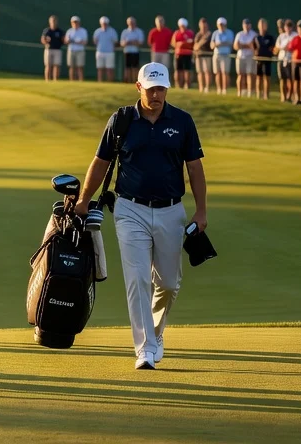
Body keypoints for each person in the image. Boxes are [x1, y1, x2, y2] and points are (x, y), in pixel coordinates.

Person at [73, 62, 207, 370]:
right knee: (137, 280)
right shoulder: (121, 120)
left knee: (169, 283)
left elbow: (195, 168)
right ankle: (144, 349)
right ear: (139, 88)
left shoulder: (182, 122)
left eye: (162, 89)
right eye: (152, 89)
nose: (157, 95)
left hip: (172, 211)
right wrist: (84, 200)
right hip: (129, 209)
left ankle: (156, 333)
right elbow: (101, 162)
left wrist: (201, 211)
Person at [234, 19, 258, 98]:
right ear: (243, 25)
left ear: (250, 25)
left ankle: (249, 92)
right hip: (240, 57)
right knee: (240, 75)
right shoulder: (239, 34)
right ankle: (239, 92)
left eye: (248, 24)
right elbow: (236, 46)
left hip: (250, 57)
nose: (246, 26)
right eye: (245, 24)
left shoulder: (254, 34)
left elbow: (254, 47)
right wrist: (247, 45)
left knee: (249, 75)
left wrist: (242, 45)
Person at [253, 19, 276, 100]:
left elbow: (272, 48)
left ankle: (266, 95)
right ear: (258, 26)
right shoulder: (256, 37)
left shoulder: (270, 37)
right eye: (260, 25)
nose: (262, 26)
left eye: (264, 24)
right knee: (259, 77)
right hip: (259, 60)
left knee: (267, 77)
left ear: (266, 26)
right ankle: (258, 94)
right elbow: (254, 48)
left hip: (267, 60)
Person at [210, 17, 234, 95]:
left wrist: (219, 44)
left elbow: (230, 43)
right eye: (219, 25)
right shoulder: (215, 33)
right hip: (216, 55)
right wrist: (217, 44)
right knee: (217, 73)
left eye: (222, 24)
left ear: (225, 25)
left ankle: (224, 89)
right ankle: (219, 89)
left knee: (225, 73)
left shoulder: (229, 32)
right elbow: (212, 45)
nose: (221, 26)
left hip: (225, 55)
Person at [93, 16, 119, 84]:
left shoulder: (112, 31)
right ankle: (100, 82)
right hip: (99, 52)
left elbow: (115, 42)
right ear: (101, 23)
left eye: (105, 23)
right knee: (100, 69)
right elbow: (95, 41)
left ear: (107, 23)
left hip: (110, 52)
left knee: (109, 69)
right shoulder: (97, 31)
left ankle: (110, 83)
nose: (104, 25)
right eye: (103, 23)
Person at [170, 19, 194, 90]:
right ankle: (178, 85)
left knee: (187, 70)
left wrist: (184, 44)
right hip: (178, 54)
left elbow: (192, 43)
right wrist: (180, 44)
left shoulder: (190, 33)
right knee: (178, 70)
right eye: (181, 25)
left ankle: (187, 84)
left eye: (184, 25)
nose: (183, 27)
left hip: (187, 54)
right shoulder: (176, 33)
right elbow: (173, 43)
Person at [120, 17, 145, 83]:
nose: (131, 24)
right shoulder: (125, 32)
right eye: (130, 23)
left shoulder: (139, 31)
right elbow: (122, 43)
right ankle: (127, 81)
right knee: (127, 67)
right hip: (127, 52)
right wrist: (128, 43)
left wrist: (132, 42)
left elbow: (140, 42)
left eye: (132, 22)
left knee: (135, 67)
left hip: (135, 52)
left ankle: (135, 81)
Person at [192, 18, 213, 93]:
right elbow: (195, 46)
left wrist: (198, 45)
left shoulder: (209, 34)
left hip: (207, 55)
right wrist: (197, 46)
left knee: (207, 72)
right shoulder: (198, 34)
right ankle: (201, 87)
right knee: (200, 72)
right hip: (198, 56)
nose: (203, 27)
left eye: (204, 25)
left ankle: (207, 88)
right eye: (201, 25)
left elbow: (200, 44)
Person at [65, 16, 88, 82]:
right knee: (71, 67)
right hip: (71, 50)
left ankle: (81, 81)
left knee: (80, 67)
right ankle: (71, 81)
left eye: (76, 22)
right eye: (73, 22)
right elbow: (66, 41)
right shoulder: (69, 31)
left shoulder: (83, 31)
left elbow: (85, 42)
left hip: (80, 51)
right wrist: (68, 41)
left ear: (79, 23)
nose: (75, 24)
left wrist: (78, 41)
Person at [41, 16, 64, 81]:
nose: (53, 22)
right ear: (50, 22)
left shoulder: (60, 31)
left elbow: (63, 40)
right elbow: (42, 39)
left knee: (56, 65)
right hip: (48, 50)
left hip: (57, 50)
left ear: (57, 22)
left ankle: (55, 80)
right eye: (52, 21)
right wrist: (46, 41)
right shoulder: (47, 30)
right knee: (48, 65)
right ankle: (47, 80)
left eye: (54, 21)